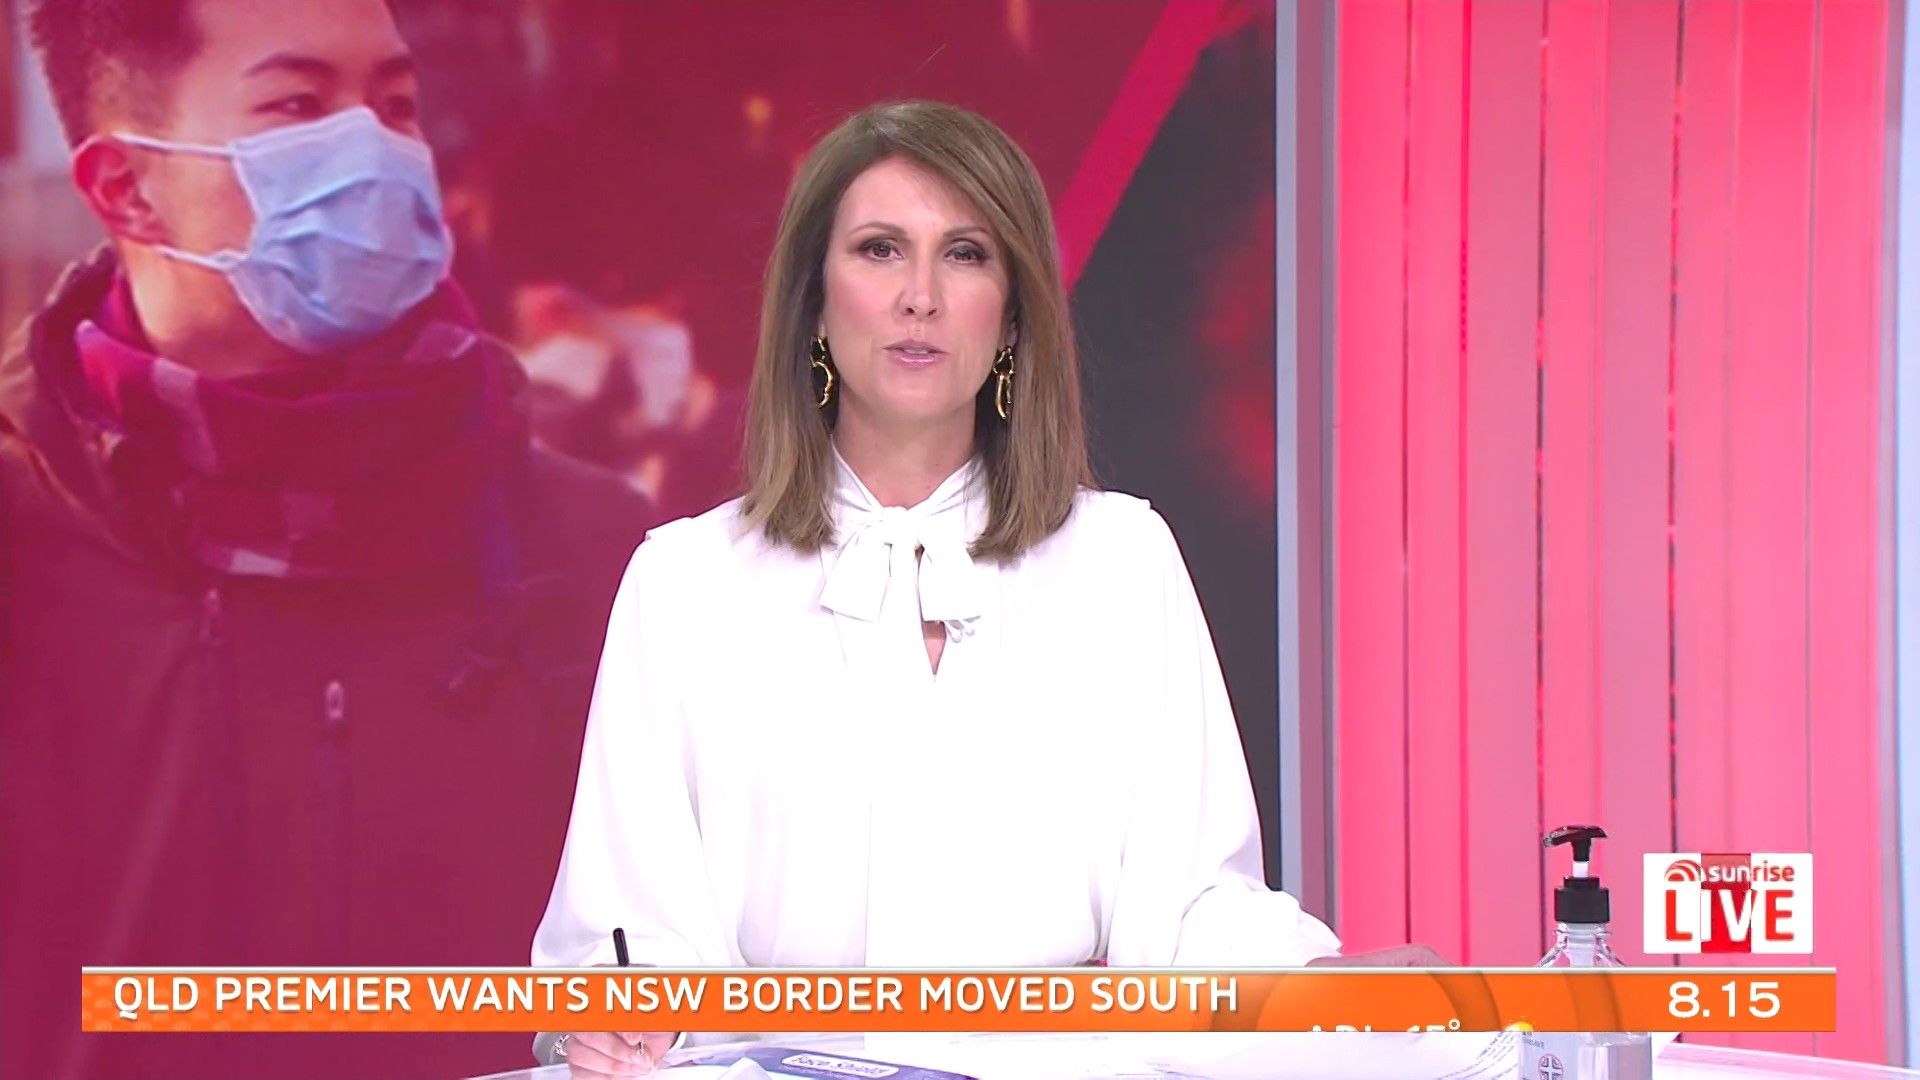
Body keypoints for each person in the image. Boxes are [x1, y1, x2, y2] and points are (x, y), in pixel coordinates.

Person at [530, 101, 1440, 1079]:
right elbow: (631, 933)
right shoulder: (685, 583)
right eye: (880, 250)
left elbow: (1188, 913)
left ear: (1011, 317)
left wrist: (1321, 986)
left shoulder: (1122, 561)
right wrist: (625, 1019)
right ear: (815, 304)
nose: (920, 296)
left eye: (964, 255)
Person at [0, 2, 656, 1077]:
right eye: (299, 105)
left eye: (395, 105)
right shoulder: (25, 555)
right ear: (124, 186)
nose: (375, 151)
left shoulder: (596, 557)